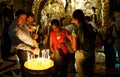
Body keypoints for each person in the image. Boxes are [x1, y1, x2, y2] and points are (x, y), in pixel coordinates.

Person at [8, 9, 39, 77]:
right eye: (21, 18)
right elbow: (15, 43)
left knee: (31, 68)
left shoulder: (22, 25)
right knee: (26, 69)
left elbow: (27, 35)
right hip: (24, 51)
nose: (24, 20)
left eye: (24, 18)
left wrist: (33, 37)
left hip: (30, 49)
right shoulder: (13, 27)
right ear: (16, 17)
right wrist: (30, 48)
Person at [71, 9, 95, 77]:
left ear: (75, 19)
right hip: (91, 54)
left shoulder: (75, 30)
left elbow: (75, 48)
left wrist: (71, 40)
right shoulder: (90, 27)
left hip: (81, 55)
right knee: (90, 74)